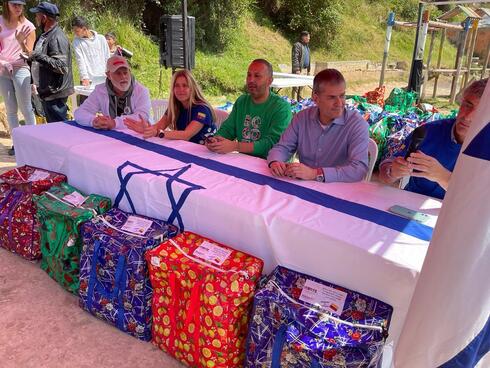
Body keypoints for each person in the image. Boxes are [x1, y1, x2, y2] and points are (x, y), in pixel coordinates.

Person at [379, 78, 488, 199]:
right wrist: (392, 172)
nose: (468, 117)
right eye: (468, 105)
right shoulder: (428, 132)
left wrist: (444, 177)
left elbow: (479, 202)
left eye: (481, 112)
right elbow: (384, 173)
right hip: (410, 208)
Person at [268, 68, 369, 183]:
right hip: (305, 187)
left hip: (339, 192)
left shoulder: (356, 124)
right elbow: (283, 147)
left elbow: (359, 169)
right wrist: (275, 162)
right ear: (315, 98)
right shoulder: (302, 118)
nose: (339, 103)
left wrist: (315, 173)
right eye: (332, 97)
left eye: (342, 96)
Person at [206, 59, 292, 159]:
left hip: (271, 165)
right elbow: (228, 129)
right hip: (243, 161)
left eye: (257, 76)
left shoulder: (281, 107)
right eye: (249, 75)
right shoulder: (242, 101)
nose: (251, 80)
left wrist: (236, 146)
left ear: (270, 81)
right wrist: (216, 140)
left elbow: (272, 143)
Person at [125, 69, 217, 144]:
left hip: (205, 154)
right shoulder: (176, 106)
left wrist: (158, 133)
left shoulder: (202, 109)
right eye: (177, 86)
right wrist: (147, 129)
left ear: (192, 88)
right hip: (185, 149)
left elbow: (186, 135)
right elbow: (159, 126)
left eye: (185, 86)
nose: (180, 90)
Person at [74, 55, 150, 130]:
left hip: (137, 135)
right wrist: (94, 121)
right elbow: (80, 112)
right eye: (118, 73)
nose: (123, 77)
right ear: (108, 75)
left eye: (125, 72)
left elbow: (142, 117)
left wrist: (114, 123)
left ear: (130, 72)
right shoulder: (100, 90)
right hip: (111, 136)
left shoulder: (141, 91)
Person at [27, 2, 74, 123]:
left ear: (44, 18)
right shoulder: (44, 35)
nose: (35, 18)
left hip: (55, 92)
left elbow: (61, 66)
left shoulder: (57, 37)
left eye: (37, 15)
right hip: (47, 91)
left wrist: (37, 55)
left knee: (58, 129)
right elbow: (41, 58)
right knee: (53, 127)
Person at [0, 0, 36, 156]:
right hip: (3, 69)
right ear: (7, 4)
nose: (18, 8)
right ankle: (17, 143)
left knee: (26, 107)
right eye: (14, 4)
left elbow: (29, 55)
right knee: (10, 109)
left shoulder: (28, 26)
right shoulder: (0, 21)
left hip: (21, 68)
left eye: (21, 5)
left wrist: (21, 42)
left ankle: (34, 141)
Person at [72, 16, 110, 87]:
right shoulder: (76, 42)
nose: (75, 33)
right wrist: (84, 77)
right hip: (88, 80)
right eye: (74, 31)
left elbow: (107, 57)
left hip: (103, 78)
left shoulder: (101, 39)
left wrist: (109, 72)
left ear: (84, 29)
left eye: (77, 31)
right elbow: (80, 60)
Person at [291, 31, 311, 101]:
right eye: (308, 37)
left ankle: (300, 103)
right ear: (304, 37)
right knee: (295, 87)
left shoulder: (307, 47)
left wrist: (308, 70)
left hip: (305, 70)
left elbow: (308, 59)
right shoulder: (297, 45)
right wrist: (297, 70)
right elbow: (295, 58)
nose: (309, 38)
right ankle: (293, 102)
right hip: (299, 70)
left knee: (302, 88)